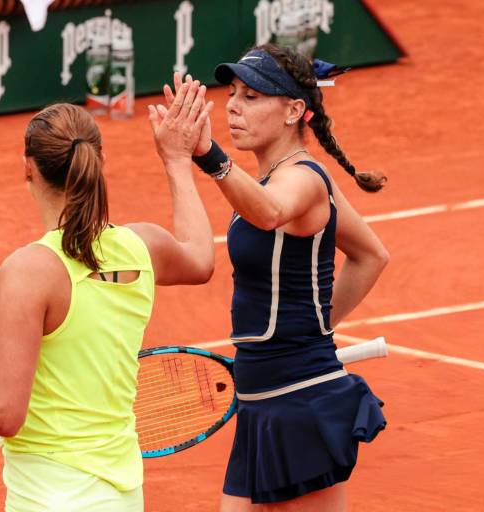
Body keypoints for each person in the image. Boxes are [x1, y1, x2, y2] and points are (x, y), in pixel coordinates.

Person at [0, 90, 215, 512]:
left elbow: (4, 415)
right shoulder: (143, 246)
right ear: (98, 163)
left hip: (49, 500)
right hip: (123, 499)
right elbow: (200, 258)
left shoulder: (30, 270)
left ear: (28, 167)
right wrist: (177, 159)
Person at [159, 44, 389, 511]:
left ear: (294, 111)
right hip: (261, 401)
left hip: (301, 404)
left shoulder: (304, 179)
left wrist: (208, 153)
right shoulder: (276, 180)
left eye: (253, 96)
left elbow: (269, 214)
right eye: (234, 94)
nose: (234, 107)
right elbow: (371, 255)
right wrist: (312, 329)